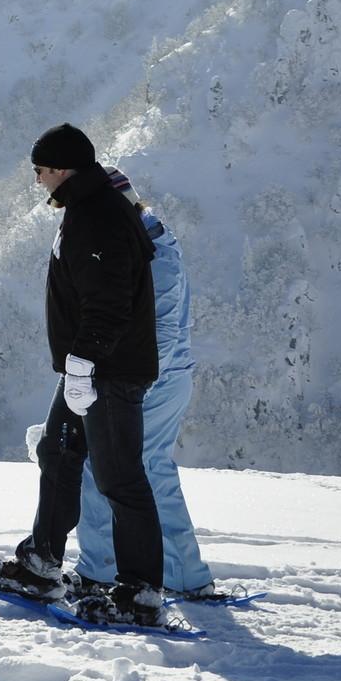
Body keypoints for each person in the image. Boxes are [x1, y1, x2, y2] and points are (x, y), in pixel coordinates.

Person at [0, 123, 167, 627]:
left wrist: (83, 365)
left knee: (120, 477)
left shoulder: (97, 217)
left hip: (107, 370)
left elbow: (108, 303)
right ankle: (41, 565)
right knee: (57, 452)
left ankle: (140, 594)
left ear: (61, 169)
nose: (36, 180)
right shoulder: (89, 208)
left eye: (39, 171)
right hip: (90, 368)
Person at [72, 167, 215, 599]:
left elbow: (164, 331)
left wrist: (135, 390)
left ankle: (98, 572)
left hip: (155, 380)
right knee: (150, 472)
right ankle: (185, 576)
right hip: (162, 377)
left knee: (105, 468)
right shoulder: (148, 241)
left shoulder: (155, 254)